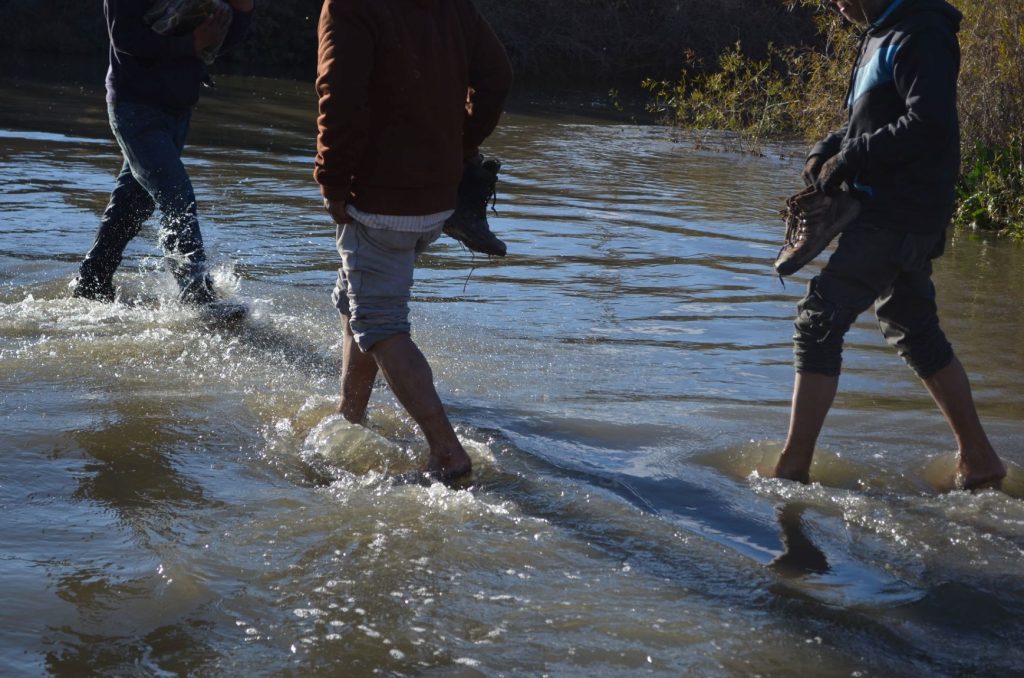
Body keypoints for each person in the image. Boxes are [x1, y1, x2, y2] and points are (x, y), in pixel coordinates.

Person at [772, 0, 1007, 490]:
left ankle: (789, 473)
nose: (835, 2)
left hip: (898, 214)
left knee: (818, 322)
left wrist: (851, 159)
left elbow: (930, 122)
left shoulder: (922, 31)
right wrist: (827, 148)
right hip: (892, 212)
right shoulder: (880, 31)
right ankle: (981, 461)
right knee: (914, 330)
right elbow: (872, 119)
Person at [315, 0, 513, 482]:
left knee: (381, 325)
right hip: (436, 197)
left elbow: (337, 98)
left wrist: (332, 182)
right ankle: (350, 414)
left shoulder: (347, 7)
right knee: (356, 301)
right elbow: (497, 76)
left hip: (378, 197)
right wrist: (462, 143)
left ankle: (447, 452)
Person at [70, 0, 255, 304]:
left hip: (178, 110)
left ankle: (92, 283)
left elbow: (216, 43)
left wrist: (243, 12)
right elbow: (126, 38)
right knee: (176, 196)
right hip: (135, 107)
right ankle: (197, 295)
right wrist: (192, 42)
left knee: (132, 204)